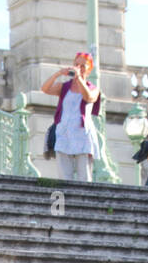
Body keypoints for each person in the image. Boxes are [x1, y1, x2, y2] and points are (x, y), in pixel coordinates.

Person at [40, 52, 102, 183]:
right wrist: (58, 74)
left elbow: (88, 98)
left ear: (89, 69)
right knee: (64, 177)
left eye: (83, 66)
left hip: (83, 135)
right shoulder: (65, 87)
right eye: (76, 65)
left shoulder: (93, 88)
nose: (79, 68)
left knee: (84, 177)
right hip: (64, 133)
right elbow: (45, 88)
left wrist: (79, 78)